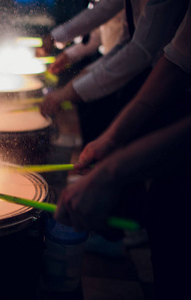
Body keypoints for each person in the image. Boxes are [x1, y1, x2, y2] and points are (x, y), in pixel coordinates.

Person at [54, 1, 191, 297]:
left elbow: (144, 49)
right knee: (164, 224)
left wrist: (112, 171)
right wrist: (113, 140)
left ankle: (122, 232)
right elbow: (176, 58)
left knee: (175, 234)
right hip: (150, 79)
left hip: (160, 90)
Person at [39, 0, 187, 144]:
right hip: (129, 71)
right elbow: (122, 41)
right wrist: (74, 75)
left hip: (167, 85)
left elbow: (141, 51)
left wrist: (68, 91)